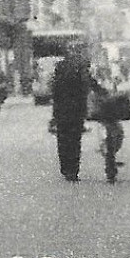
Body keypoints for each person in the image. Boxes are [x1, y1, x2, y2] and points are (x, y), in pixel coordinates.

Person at [50, 43, 94, 182]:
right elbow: (87, 85)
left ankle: (66, 168)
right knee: (75, 140)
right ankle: (73, 171)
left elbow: (55, 89)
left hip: (62, 109)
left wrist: (55, 112)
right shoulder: (81, 66)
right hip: (77, 109)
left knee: (63, 139)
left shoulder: (60, 67)